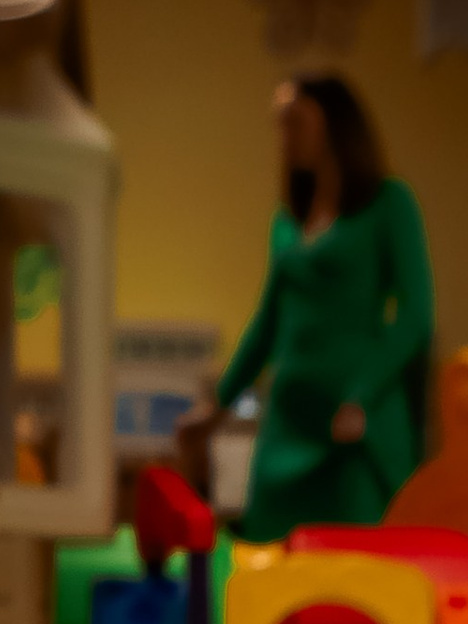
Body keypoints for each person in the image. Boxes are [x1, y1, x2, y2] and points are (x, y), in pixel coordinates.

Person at [183, 75, 435, 543]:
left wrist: (362, 393)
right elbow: (267, 325)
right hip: (291, 423)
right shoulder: (288, 224)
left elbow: (416, 316)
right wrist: (218, 404)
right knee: (270, 552)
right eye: (279, 125)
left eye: (296, 122)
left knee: (354, 560)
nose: (285, 137)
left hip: (354, 426)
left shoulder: (388, 205)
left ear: (334, 125)